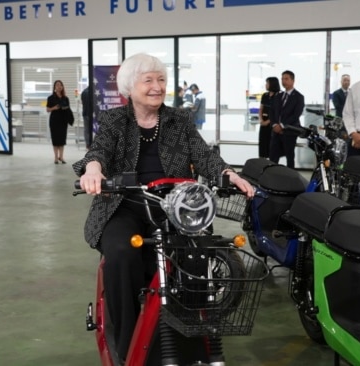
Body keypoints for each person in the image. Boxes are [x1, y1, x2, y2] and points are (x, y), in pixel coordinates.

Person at [72, 53, 254, 364]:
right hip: (125, 204)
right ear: (131, 87)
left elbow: (204, 154)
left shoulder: (178, 120)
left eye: (161, 80)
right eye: (149, 81)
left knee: (196, 255)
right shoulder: (116, 120)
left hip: (174, 206)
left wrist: (228, 174)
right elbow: (99, 150)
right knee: (120, 253)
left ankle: (192, 340)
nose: (158, 87)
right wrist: (93, 169)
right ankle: (126, 343)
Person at [269, 70, 305, 168]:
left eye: (286, 79)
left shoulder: (299, 97)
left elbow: (296, 115)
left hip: (289, 132)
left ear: (293, 81)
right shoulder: (278, 96)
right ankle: (271, 178)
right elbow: (271, 112)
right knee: (273, 157)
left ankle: (291, 179)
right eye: (282, 79)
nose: (283, 81)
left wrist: (282, 126)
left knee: (289, 157)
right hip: (276, 132)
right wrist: (274, 124)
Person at [46, 80, 71, 164]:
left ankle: (61, 156)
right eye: (57, 85)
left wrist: (65, 108)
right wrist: (54, 108)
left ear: (62, 87)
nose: (59, 86)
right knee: (55, 139)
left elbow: (68, 109)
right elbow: (47, 109)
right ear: (54, 87)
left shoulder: (65, 98)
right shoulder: (50, 98)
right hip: (54, 120)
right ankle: (56, 157)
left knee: (62, 140)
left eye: (60, 85)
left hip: (63, 121)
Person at [258, 76, 280, 158]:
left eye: (267, 83)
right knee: (263, 145)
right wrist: (261, 120)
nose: (266, 85)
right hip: (263, 124)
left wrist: (268, 121)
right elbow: (261, 109)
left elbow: (278, 112)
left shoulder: (279, 96)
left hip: (272, 125)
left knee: (271, 147)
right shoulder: (265, 95)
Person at [80, 85, 94, 150]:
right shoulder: (93, 92)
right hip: (93, 114)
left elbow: (82, 103)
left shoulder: (83, 92)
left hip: (85, 113)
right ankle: (93, 144)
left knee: (86, 130)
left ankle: (87, 144)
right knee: (93, 129)